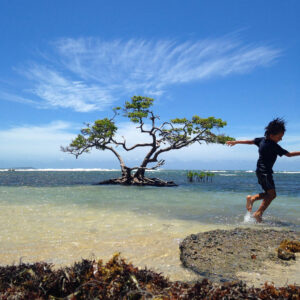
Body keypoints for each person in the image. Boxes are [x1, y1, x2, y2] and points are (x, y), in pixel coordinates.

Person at [226, 118, 300, 222]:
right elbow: (289, 154)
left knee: (270, 194)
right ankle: (258, 212)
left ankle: (253, 200)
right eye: (280, 137)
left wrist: (236, 142)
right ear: (272, 135)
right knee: (272, 194)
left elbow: (250, 142)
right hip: (265, 173)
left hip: (260, 172)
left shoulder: (261, 140)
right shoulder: (274, 146)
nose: (281, 139)